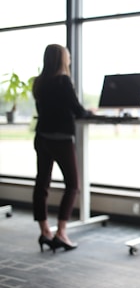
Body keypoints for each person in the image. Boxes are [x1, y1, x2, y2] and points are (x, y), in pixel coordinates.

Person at [32, 44, 92, 253]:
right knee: (73, 184)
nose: (70, 59)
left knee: (42, 185)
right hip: (60, 140)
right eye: (68, 56)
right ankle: (62, 232)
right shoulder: (63, 81)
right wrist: (90, 112)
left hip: (42, 138)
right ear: (61, 59)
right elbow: (77, 110)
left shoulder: (39, 82)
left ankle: (45, 231)